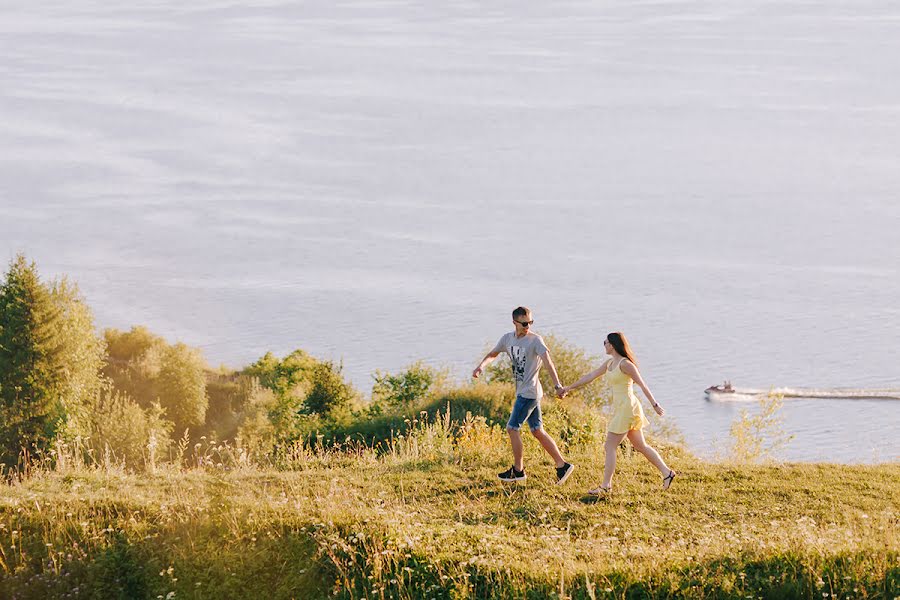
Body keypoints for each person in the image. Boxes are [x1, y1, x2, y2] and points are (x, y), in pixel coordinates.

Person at [559, 332, 675, 494]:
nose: (604, 345)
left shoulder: (625, 364)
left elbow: (642, 384)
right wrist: (568, 388)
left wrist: (655, 405)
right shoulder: (609, 364)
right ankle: (667, 473)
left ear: (612, 344)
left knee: (610, 446)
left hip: (628, 408)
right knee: (640, 446)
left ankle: (606, 486)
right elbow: (590, 376)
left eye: (604, 342)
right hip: (622, 408)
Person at [472, 307, 575, 485]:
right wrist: (481, 366)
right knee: (537, 430)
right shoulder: (507, 339)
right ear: (515, 322)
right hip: (524, 391)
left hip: (530, 393)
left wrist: (557, 385)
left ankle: (518, 471)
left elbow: (548, 363)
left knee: (512, 428)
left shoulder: (536, 340)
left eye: (531, 322)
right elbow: (493, 354)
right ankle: (562, 465)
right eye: (525, 323)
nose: (528, 326)